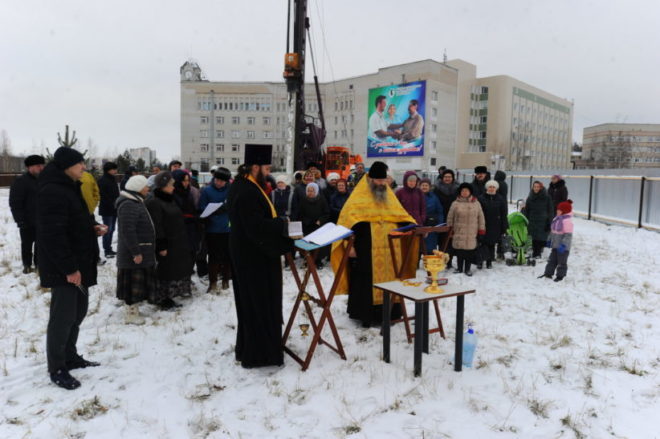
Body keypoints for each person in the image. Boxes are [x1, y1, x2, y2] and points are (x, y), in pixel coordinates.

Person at [38, 147, 107, 390]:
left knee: (78, 313)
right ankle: (57, 367)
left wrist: (93, 227)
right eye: (80, 163)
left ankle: (70, 356)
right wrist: (69, 269)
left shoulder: (70, 187)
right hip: (64, 268)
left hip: (79, 263)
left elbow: (76, 220)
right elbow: (53, 235)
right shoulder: (52, 191)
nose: (84, 167)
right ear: (67, 165)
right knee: (63, 318)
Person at [227, 144, 294, 368]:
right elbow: (255, 226)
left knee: (253, 304)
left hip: (251, 254)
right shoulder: (246, 191)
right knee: (258, 304)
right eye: (266, 168)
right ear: (254, 167)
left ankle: (253, 348)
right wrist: (281, 223)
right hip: (254, 257)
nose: (269, 172)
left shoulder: (246, 185)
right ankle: (259, 354)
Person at [330, 161, 417, 327]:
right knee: (365, 279)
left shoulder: (389, 196)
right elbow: (346, 222)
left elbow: (401, 215)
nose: (382, 184)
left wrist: (413, 225)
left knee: (391, 279)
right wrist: (349, 245)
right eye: (379, 180)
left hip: (391, 250)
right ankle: (366, 316)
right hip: (365, 248)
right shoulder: (357, 198)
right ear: (370, 179)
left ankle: (391, 314)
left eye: (384, 180)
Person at [146, 171, 193, 308]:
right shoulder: (154, 202)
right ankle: (162, 299)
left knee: (174, 269)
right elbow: (157, 225)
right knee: (165, 270)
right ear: (163, 186)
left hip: (177, 240)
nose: (173, 187)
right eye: (171, 185)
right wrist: (161, 245)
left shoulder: (169, 198)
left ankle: (170, 296)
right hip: (166, 242)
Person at [115, 175, 156, 325]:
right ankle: (131, 314)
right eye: (145, 186)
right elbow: (128, 231)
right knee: (132, 284)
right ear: (138, 188)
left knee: (136, 284)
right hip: (132, 253)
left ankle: (134, 309)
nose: (148, 188)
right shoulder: (128, 205)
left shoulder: (136, 201)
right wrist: (136, 252)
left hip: (140, 249)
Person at [9, 154, 45, 273]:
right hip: (26, 221)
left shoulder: (44, 180)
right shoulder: (20, 181)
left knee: (41, 244)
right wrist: (20, 220)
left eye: (42, 165)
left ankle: (39, 264)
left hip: (42, 220)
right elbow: (15, 203)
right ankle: (27, 265)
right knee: (27, 244)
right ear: (29, 167)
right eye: (38, 165)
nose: (41, 168)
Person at [199, 168, 232, 293]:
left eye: (222, 181)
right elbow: (201, 208)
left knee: (227, 256)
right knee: (213, 256)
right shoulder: (207, 190)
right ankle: (212, 282)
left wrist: (228, 207)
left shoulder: (230, 190)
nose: (218, 183)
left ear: (226, 181)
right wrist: (215, 210)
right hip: (212, 229)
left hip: (228, 229)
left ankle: (226, 280)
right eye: (217, 180)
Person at [446, 183, 485, 277]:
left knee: (469, 251)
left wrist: (481, 229)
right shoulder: (455, 203)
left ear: (470, 192)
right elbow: (450, 217)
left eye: (466, 191)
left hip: (472, 231)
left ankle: (467, 269)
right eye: (463, 191)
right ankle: (459, 268)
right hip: (459, 231)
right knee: (460, 251)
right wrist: (450, 229)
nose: (464, 192)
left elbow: (481, 217)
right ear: (460, 192)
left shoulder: (476, 203)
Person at [171, 169, 200, 284]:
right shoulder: (172, 194)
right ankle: (180, 279)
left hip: (191, 228)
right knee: (181, 255)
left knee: (192, 253)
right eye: (184, 181)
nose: (186, 183)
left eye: (188, 180)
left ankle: (187, 277)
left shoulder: (189, 192)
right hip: (179, 230)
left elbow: (193, 208)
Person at [296, 182, 330, 268]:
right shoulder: (303, 200)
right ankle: (307, 260)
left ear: (316, 191)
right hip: (307, 226)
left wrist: (320, 220)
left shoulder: (322, 200)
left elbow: (326, 213)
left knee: (318, 244)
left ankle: (318, 261)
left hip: (318, 226)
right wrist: (306, 221)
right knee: (308, 244)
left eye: (312, 191)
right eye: (308, 191)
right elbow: (300, 214)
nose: (310, 192)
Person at [540, 200, 574, 282]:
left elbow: (568, 236)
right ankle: (548, 273)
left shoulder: (567, 222)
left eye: (559, 210)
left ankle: (560, 276)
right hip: (555, 246)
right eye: (557, 209)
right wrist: (549, 241)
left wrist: (563, 246)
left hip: (563, 248)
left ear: (564, 211)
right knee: (551, 260)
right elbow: (552, 232)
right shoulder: (556, 219)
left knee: (561, 262)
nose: (557, 211)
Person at [477, 180, 508, 269]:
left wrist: (504, 226)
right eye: (490, 187)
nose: (491, 188)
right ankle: (480, 261)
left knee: (491, 244)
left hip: (495, 225)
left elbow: (503, 213)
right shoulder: (481, 198)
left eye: (493, 187)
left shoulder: (500, 199)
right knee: (482, 243)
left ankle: (489, 262)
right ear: (487, 188)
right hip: (483, 224)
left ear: (496, 188)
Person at [433, 169, 459, 267]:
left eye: (449, 177)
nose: (447, 179)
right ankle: (441, 259)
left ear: (453, 178)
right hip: (440, 218)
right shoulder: (436, 189)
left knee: (451, 240)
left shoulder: (457, 189)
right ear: (442, 178)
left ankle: (449, 261)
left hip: (454, 218)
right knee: (441, 240)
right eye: (445, 177)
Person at [522, 181, 554, 259]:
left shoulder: (547, 197)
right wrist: (525, 218)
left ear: (541, 188)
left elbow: (550, 210)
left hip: (543, 221)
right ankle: (535, 252)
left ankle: (538, 253)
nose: (536, 188)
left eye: (538, 187)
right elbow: (527, 210)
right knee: (533, 237)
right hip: (532, 220)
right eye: (534, 187)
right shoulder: (530, 197)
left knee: (541, 237)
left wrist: (549, 221)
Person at [97, 162, 120, 258]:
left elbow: (116, 193)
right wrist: (112, 204)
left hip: (114, 209)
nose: (116, 171)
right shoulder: (102, 180)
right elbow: (103, 196)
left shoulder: (112, 179)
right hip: (107, 209)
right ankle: (107, 250)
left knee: (112, 229)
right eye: (114, 169)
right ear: (108, 170)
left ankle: (109, 248)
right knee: (107, 230)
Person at [420, 178, 444, 254]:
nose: (424, 187)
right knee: (417, 250)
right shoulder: (416, 196)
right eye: (423, 185)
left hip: (431, 227)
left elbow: (440, 212)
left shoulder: (434, 197)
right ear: (419, 186)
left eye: (426, 185)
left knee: (430, 250)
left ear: (429, 187)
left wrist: (439, 225)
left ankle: (430, 260)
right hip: (419, 226)